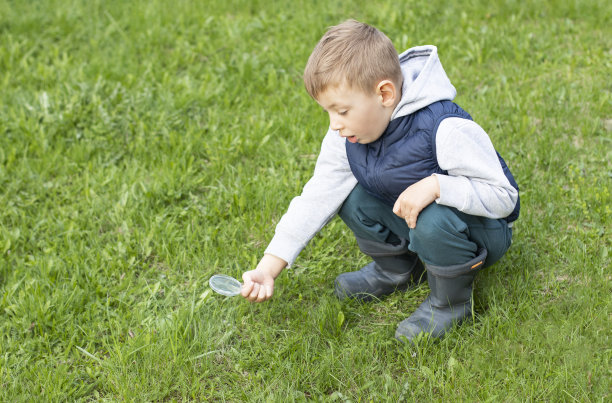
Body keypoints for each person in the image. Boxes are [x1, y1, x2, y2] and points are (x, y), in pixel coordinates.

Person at [240, 19, 519, 342]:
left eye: (342, 111)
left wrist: (437, 186)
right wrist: (269, 266)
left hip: (480, 232)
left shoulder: (444, 129)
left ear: (384, 93)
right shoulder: (348, 137)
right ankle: (398, 270)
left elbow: (504, 198)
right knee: (350, 196)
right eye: (328, 112)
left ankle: (450, 303)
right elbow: (318, 196)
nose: (334, 124)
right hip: (416, 220)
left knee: (432, 217)